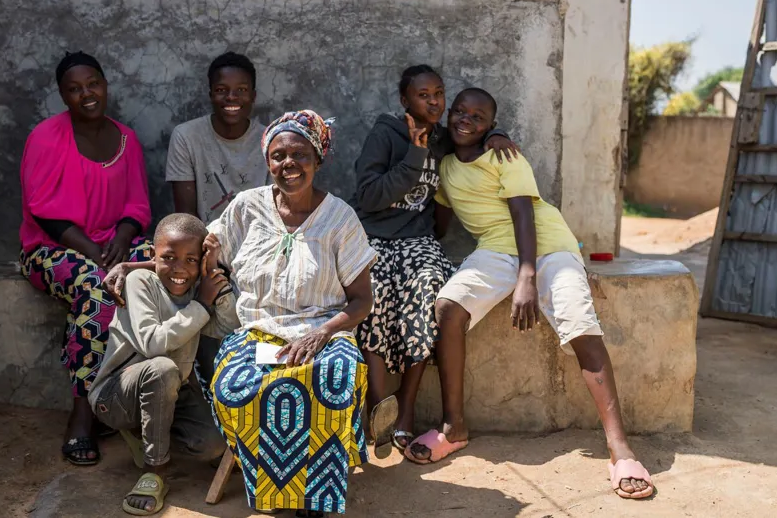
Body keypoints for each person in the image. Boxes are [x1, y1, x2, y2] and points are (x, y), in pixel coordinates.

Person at [406, 88, 655, 501]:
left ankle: (620, 448)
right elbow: (440, 222)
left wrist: (528, 276)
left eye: (479, 117)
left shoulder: (504, 155)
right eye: (460, 112)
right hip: (494, 249)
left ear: (491, 126)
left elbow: (524, 211)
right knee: (449, 306)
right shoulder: (446, 167)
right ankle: (454, 428)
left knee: (579, 324)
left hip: (547, 245)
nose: (467, 120)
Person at [208, 110, 380, 516]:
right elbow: (198, 249)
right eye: (279, 155)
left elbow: (361, 301)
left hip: (325, 333)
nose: (289, 164)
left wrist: (321, 335)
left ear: (318, 159)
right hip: (257, 333)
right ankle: (278, 490)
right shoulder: (247, 207)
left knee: (332, 380)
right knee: (235, 387)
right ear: (268, 162)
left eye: (300, 154)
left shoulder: (339, 218)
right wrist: (137, 266)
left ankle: (315, 500)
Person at [351, 65, 520, 452]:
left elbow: (475, 134)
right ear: (405, 100)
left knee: (427, 287)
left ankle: (406, 410)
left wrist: (496, 134)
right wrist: (414, 155)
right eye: (423, 95)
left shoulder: (445, 138)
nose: (434, 102)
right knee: (372, 292)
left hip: (419, 240)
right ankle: (378, 406)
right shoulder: (385, 133)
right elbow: (369, 197)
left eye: (439, 94)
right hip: (374, 238)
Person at [19, 51, 153, 466]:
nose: (86, 94)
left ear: (105, 83)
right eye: (74, 89)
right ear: (63, 95)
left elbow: (138, 205)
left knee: (163, 267)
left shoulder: (126, 139)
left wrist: (124, 238)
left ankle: (146, 403)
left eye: (92, 83)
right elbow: (42, 208)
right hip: (53, 248)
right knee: (97, 291)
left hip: (114, 243)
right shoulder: (45, 136)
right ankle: (83, 415)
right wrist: (96, 254)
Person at [90, 213, 238, 515]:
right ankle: (154, 471)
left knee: (212, 444)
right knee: (162, 368)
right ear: (152, 257)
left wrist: (213, 282)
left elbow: (227, 327)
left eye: (191, 260)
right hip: (115, 397)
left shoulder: (198, 290)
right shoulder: (139, 281)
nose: (179, 269)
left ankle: (146, 437)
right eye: (168, 258)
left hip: (171, 391)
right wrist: (201, 306)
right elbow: (152, 343)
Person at [165, 52, 268, 223]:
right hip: (203, 241)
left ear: (253, 96)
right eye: (221, 90)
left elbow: (275, 213)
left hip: (257, 241)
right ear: (211, 95)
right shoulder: (186, 137)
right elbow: (186, 216)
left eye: (241, 90)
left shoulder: (270, 141)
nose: (231, 97)